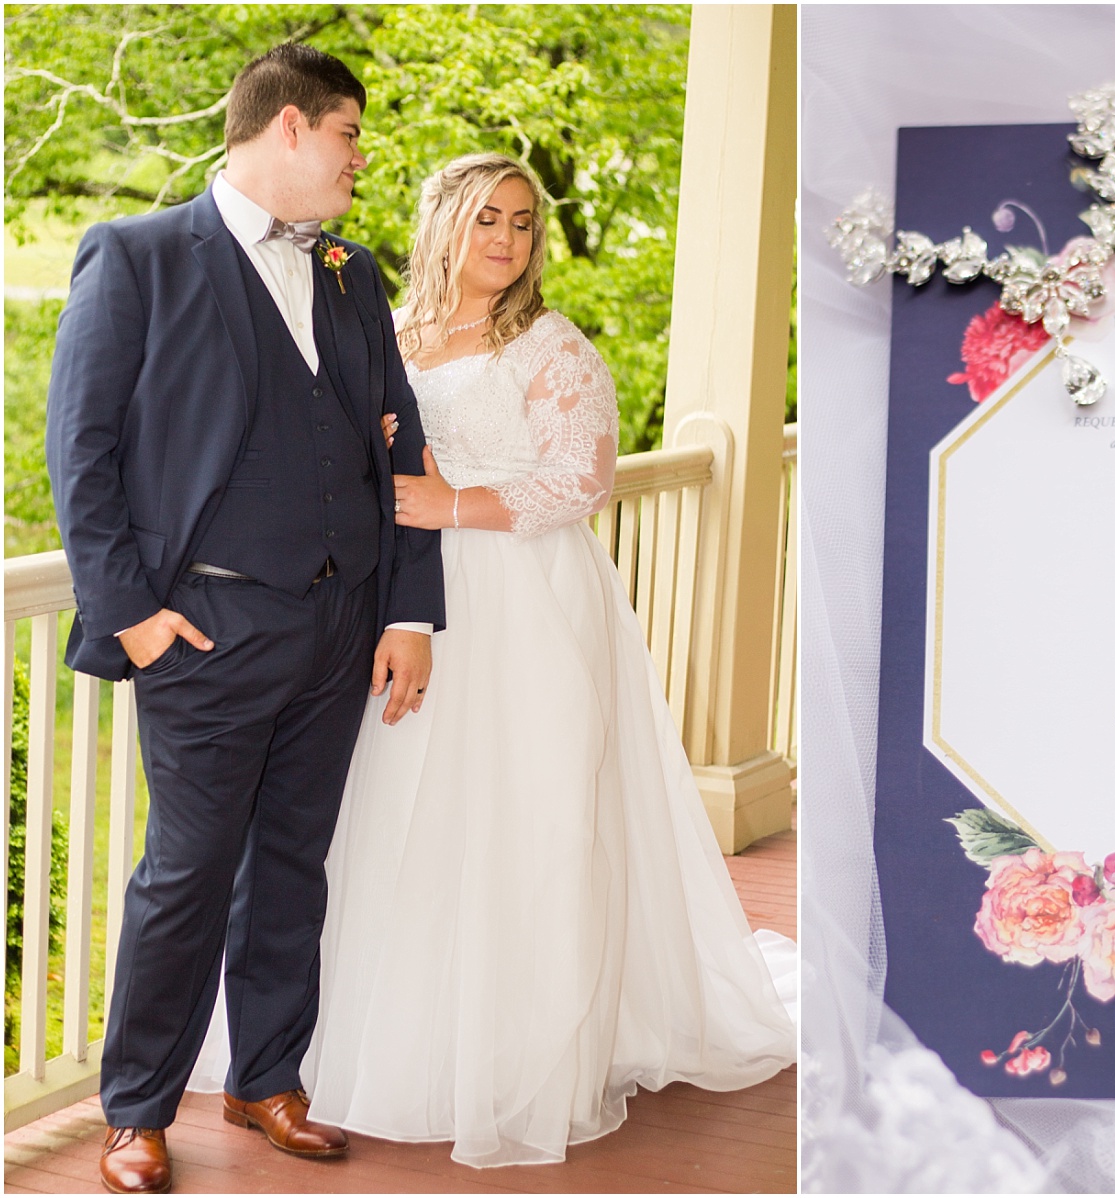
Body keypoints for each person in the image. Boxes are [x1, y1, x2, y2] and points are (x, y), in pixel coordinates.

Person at [290, 152, 797, 1167]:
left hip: (526, 596)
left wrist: (452, 504)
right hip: (410, 601)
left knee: (532, 811)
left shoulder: (552, 344)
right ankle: (401, 1042)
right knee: (404, 814)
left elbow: (584, 479)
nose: (507, 242)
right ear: (443, 223)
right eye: (487, 220)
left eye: (523, 224)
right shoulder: (388, 333)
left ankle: (528, 1052)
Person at [44, 44, 445, 1195]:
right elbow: (84, 457)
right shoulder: (138, 258)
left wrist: (408, 611)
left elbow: (398, 446)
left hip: (338, 630)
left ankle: (267, 1077)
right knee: (185, 871)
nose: (360, 158)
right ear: (287, 130)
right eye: (349, 134)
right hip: (205, 629)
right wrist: (135, 618)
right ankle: (136, 1109)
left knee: (292, 868)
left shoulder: (349, 274)